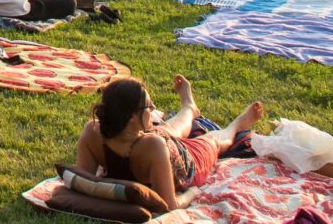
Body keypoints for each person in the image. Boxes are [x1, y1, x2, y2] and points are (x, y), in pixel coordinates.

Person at [74, 73, 262, 212]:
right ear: (131, 117)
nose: (153, 110)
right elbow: (169, 206)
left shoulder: (95, 132)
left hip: (172, 151)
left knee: (177, 129)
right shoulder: (149, 145)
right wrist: (193, 193)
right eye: (149, 107)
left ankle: (196, 109)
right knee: (209, 139)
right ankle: (222, 119)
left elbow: (81, 180)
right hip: (172, 153)